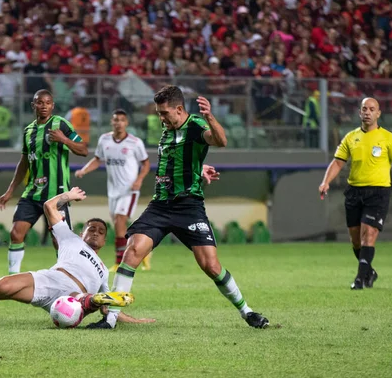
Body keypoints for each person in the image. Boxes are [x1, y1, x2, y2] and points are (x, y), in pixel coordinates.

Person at [86, 85, 269, 330]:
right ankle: (110, 320)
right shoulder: (167, 129)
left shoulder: (195, 125)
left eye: (164, 113)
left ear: (179, 109)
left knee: (211, 266)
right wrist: (199, 168)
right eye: (159, 114)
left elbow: (220, 141)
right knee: (132, 252)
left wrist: (210, 117)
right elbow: (177, 158)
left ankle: (247, 312)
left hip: (188, 206)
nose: (161, 118)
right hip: (160, 205)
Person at [0, 187, 154, 328]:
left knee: (87, 301)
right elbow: (49, 206)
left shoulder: (104, 270)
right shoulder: (69, 239)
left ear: (105, 241)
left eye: (101, 231)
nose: (95, 232)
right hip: (50, 279)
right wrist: (68, 196)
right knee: (0, 286)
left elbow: (111, 308)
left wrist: (135, 320)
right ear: (81, 233)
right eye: (91, 228)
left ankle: (90, 301)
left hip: (74, 296)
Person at [319, 97, 392, 290]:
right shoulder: (350, 137)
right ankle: (370, 272)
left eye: (372, 109)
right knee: (356, 239)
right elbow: (338, 162)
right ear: (359, 112)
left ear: (378, 113)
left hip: (378, 192)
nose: (367, 112)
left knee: (369, 234)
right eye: (364, 108)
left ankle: (359, 279)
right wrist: (326, 182)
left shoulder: (388, 138)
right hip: (354, 192)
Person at [0, 89, 88, 275]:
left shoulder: (60, 124)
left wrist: (63, 139)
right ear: (33, 105)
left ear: (52, 105)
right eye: (40, 102)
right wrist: (10, 191)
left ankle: (67, 275)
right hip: (32, 192)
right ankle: (13, 277)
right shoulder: (28, 131)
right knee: (16, 233)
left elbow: (83, 150)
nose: (44, 106)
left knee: (59, 240)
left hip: (57, 194)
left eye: (47, 103)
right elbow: (24, 162)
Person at [75, 109, 151, 271]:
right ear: (112, 122)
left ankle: (119, 262)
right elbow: (97, 160)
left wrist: (139, 180)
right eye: (116, 120)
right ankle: (143, 251)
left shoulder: (135, 142)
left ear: (127, 123)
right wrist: (84, 170)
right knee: (120, 226)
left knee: (119, 221)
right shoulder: (105, 140)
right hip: (113, 191)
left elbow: (146, 164)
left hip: (129, 190)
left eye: (122, 120)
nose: (119, 123)